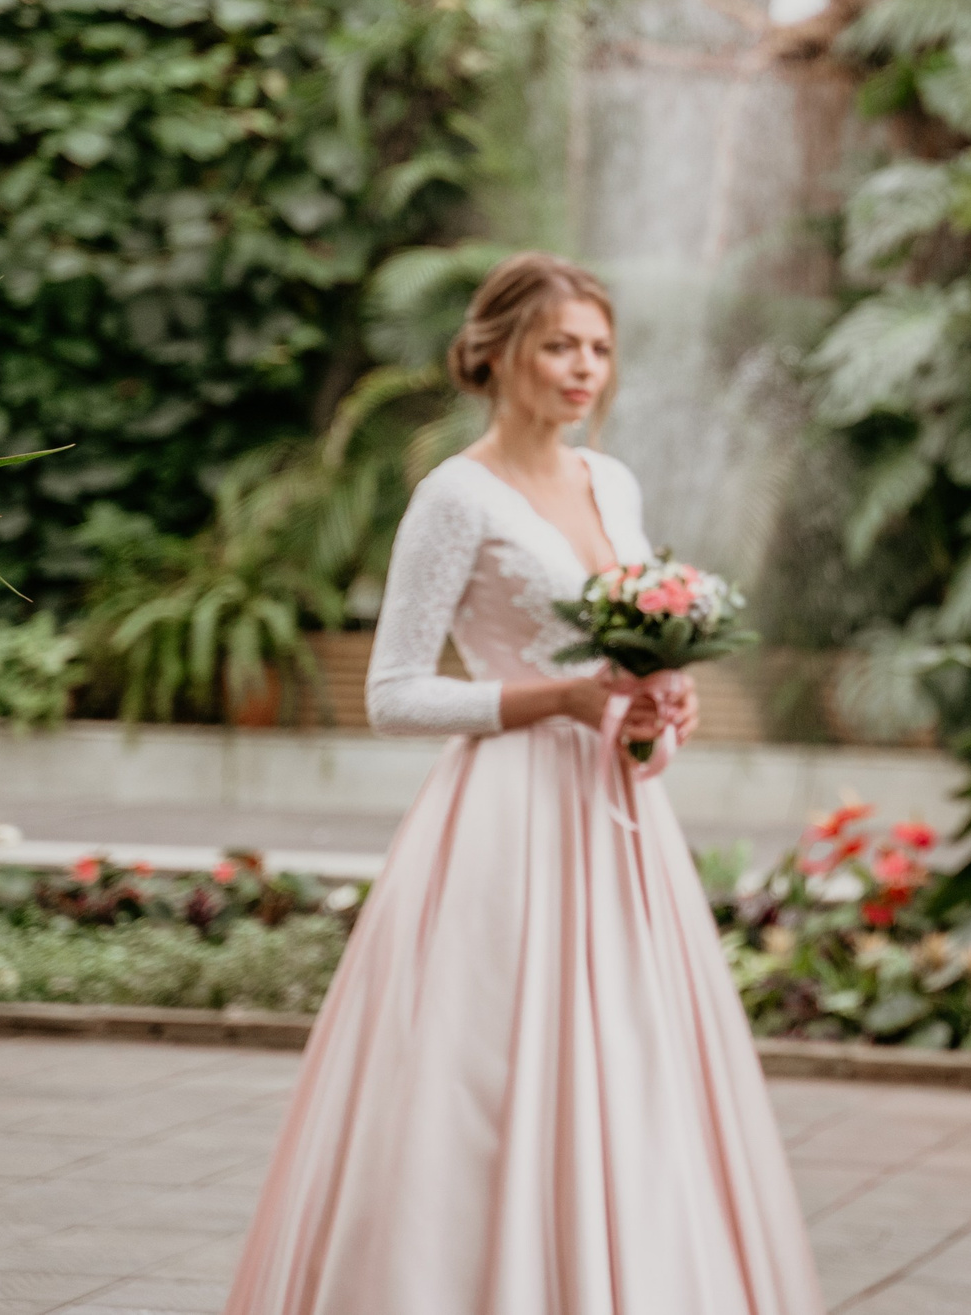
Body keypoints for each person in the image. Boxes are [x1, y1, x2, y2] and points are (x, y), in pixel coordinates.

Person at [225, 252, 824, 1315]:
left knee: (633, 1067)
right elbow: (394, 692)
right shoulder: (454, 498)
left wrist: (656, 706)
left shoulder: (615, 481)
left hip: (618, 818)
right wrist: (549, 702)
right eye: (558, 345)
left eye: (597, 347)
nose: (583, 367)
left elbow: (624, 666)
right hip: (504, 824)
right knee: (490, 1072)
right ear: (494, 354)